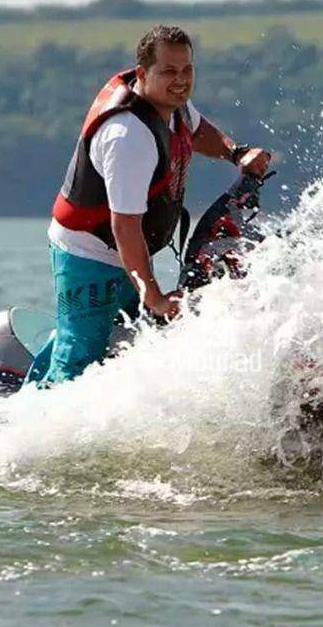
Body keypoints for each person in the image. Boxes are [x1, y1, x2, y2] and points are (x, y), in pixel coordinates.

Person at [27, 24, 270, 383]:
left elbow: (197, 129)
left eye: (187, 69)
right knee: (81, 355)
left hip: (124, 252)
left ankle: (32, 386)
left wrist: (236, 154)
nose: (181, 80)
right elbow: (124, 227)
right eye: (169, 71)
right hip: (88, 255)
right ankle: (32, 426)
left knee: (120, 338)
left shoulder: (170, 103)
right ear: (143, 73)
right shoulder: (128, 137)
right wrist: (153, 295)